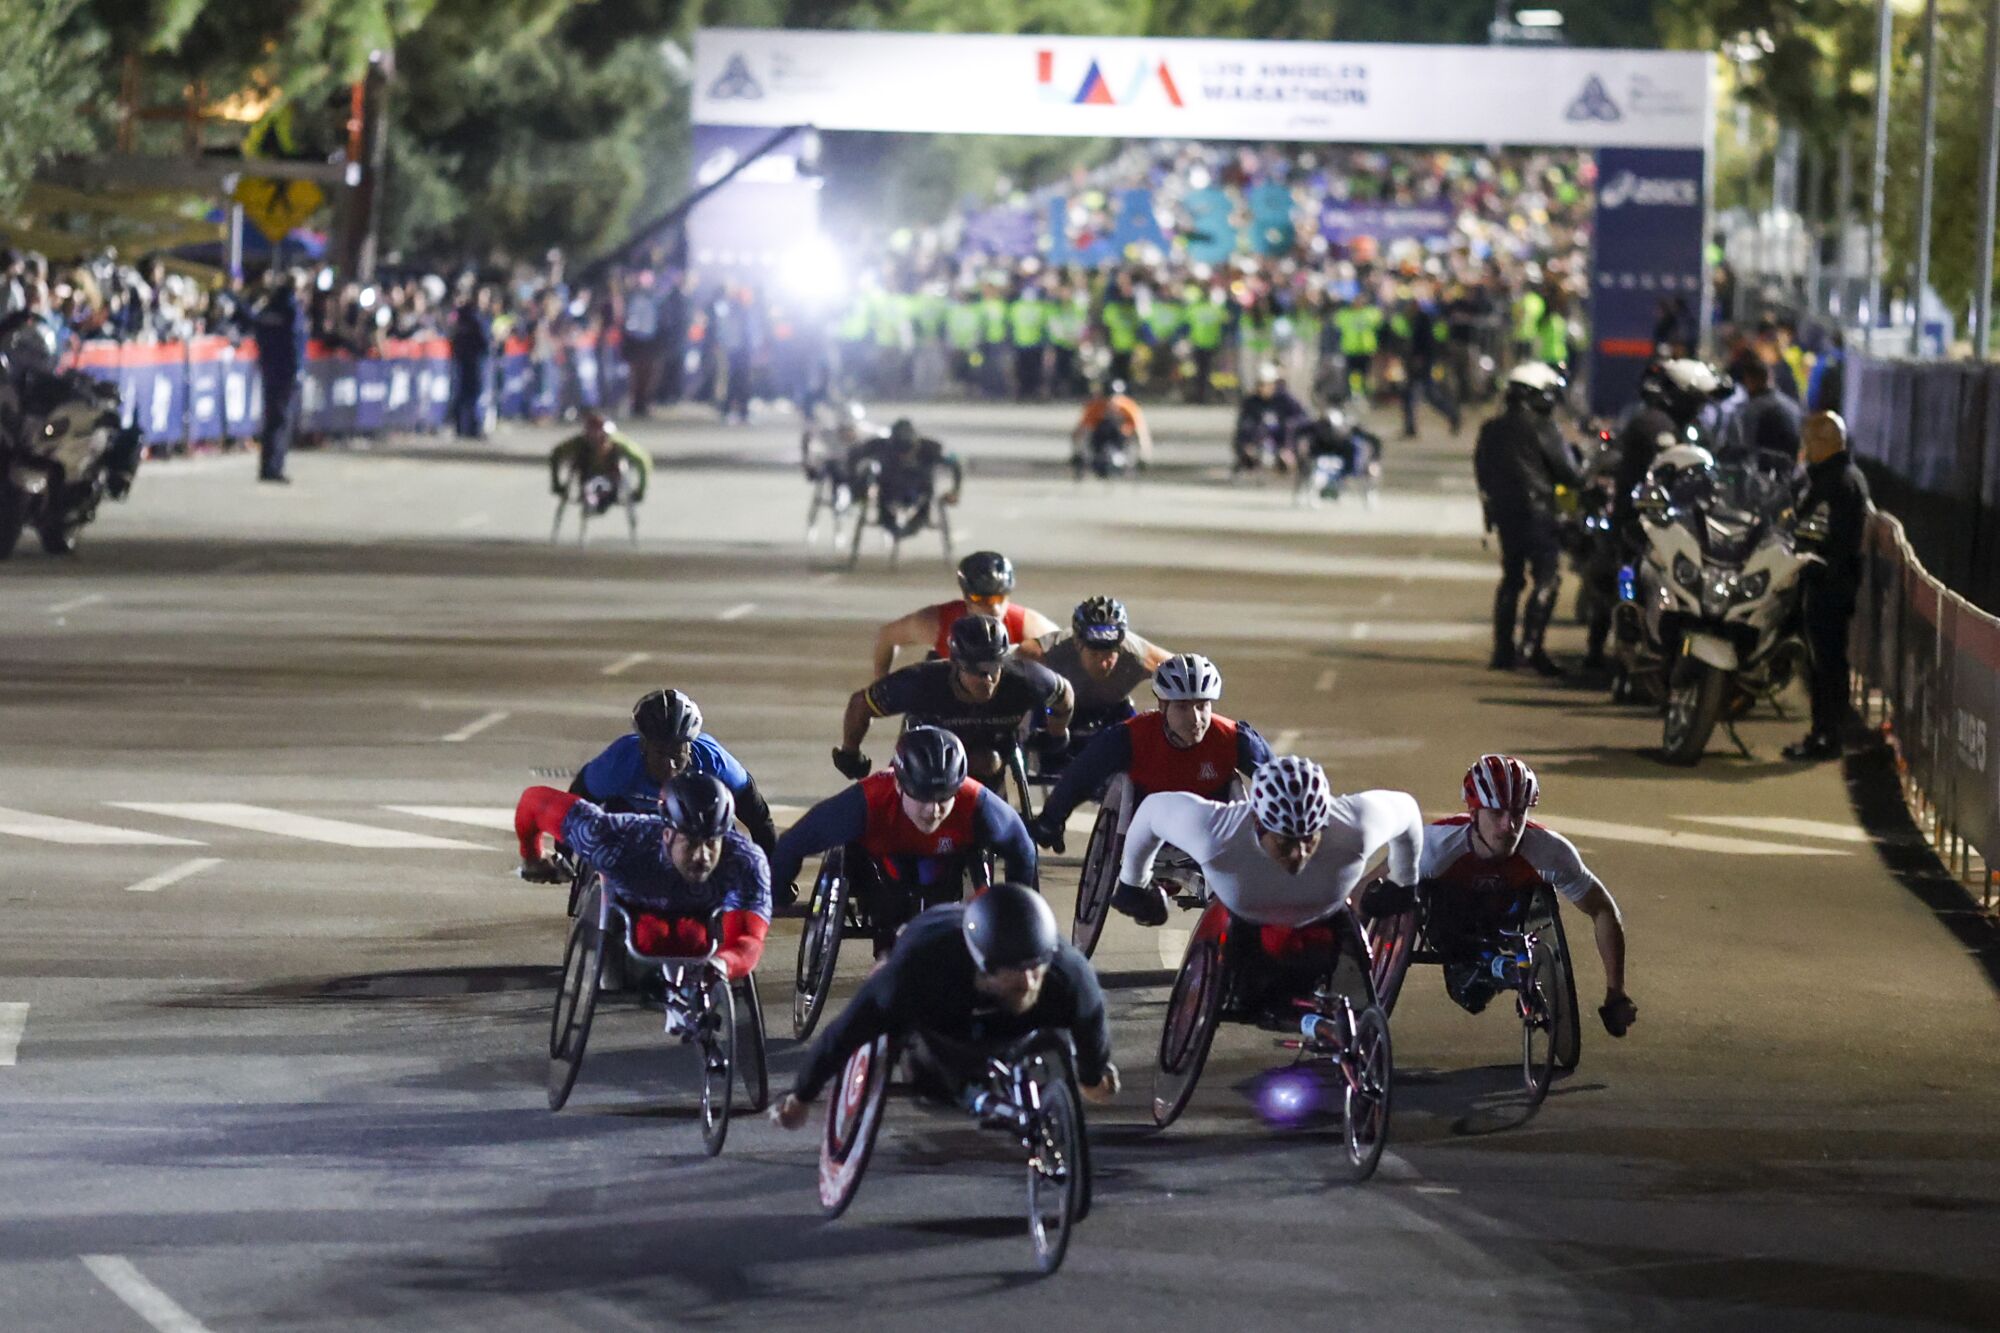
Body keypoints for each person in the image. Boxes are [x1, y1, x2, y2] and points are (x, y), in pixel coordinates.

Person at [769, 884, 1119, 1131]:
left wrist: (1091, 1074)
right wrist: (802, 1094)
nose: (1029, 982)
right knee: (932, 1075)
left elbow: (1092, 1024)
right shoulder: (918, 972)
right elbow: (845, 1032)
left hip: (1006, 1012)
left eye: (1036, 969)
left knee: (1063, 1002)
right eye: (1016, 974)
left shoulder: (1069, 972)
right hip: (937, 981)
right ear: (985, 964)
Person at [1114, 756, 1422, 1017]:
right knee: (1249, 987)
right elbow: (1152, 811)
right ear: (1259, 825)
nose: (1299, 854)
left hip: (1323, 922)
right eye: (1286, 842)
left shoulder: (1355, 826)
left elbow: (1408, 811)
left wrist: (1404, 883)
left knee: (1354, 986)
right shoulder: (1216, 832)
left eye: (1310, 838)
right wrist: (1133, 883)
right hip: (1245, 928)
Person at [1405, 755, 1635, 1037]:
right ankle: (1480, 964)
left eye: (1517, 813)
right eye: (1497, 814)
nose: (1509, 827)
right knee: (1467, 989)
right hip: (1446, 923)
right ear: (1474, 814)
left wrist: (1616, 992)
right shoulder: (1433, 846)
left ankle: (1498, 965)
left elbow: (1602, 909)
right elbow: (1373, 887)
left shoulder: (1550, 852)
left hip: (1505, 918)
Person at [774, 727, 1039, 951]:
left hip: (946, 868)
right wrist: (778, 890)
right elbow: (793, 843)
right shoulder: (866, 802)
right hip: (880, 867)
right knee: (889, 902)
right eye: (922, 798)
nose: (933, 811)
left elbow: (1023, 850)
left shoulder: (979, 805)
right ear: (899, 785)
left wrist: (1016, 914)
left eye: (944, 799)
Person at [514, 773, 772, 982]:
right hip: (637, 905)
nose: (702, 856)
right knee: (617, 976)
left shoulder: (745, 861)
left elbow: (748, 938)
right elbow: (534, 802)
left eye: (711, 843)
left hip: (702, 918)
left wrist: (724, 964)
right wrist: (532, 856)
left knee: (704, 948)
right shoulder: (614, 840)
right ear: (668, 835)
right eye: (691, 843)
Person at [1030, 652, 1270, 853]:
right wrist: (1052, 819)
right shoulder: (1130, 736)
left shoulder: (1234, 737)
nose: (1196, 719)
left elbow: (1281, 784)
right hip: (1146, 827)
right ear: (1163, 706)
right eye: (1183, 707)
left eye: (1202, 705)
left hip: (1212, 827)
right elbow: (1081, 777)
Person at [1584, 358, 1725, 669]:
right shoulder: (1654, 423)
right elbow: (1672, 460)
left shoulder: (1689, 427)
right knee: (1627, 578)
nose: (1700, 407)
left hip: (1674, 518)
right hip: (1638, 518)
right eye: (1696, 400)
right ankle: (1607, 649)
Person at [839, 613, 1074, 787]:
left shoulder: (1026, 679)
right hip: (926, 753)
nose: (988, 678)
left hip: (992, 751)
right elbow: (861, 704)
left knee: (988, 761)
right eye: (976, 670)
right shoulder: (921, 682)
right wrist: (850, 752)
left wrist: (1056, 733)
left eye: (995, 667)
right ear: (955, 664)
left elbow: (1064, 696)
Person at [565, 688, 780, 860]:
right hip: (631, 827)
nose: (669, 765)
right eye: (659, 753)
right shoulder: (619, 762)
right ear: (643, 747)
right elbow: (572, 807)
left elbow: (759, 820)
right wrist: (563, 855)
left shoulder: (715, 762)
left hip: (697, 833)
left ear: (690, 748)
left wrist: (774, 878)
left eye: (677, 754)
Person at [1474, 362, 1582, 676]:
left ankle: (1503, 650)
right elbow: (1569, 473)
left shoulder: (1490, 428)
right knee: (1547, 577)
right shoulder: (1543, 428)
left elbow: (1482, 474)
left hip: (1505, 514)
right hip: (1538, 512)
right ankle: (1532, 648)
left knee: (1511, 578)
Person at [1784, 412, 1871, 761]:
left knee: (1827, 664)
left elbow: (1832, 536)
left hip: (1830, 585)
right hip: (1824, 581)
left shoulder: (1839, 481)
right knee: (1821, 663)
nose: (1806, 449)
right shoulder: (1831, 476)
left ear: (1827, 443)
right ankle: (1823, 732)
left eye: (1811, 441)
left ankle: (1826, 735)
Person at [1025, 596, 1176, 770]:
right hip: (1057, 717)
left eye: (1109, 654)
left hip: (1112, 714)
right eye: (1095, 655)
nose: (1103, 664)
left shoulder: (1138, 657)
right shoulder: (1048, 651)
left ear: (1119, 647)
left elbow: (1181, 672)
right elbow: (1010, 662)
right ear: (1077, 644)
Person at [870, 550, 1058, 678]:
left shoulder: (1029, 627)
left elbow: (1068, 651)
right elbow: (887, 636)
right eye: (981, 599)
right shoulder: (937, 623)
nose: (994, 609)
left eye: (998, 598)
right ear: (966, 597)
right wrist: (881, 686)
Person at [846, 417, 964, 542]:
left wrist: (955, 491)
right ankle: (882, 517)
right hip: (887, 490)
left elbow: (955, 462)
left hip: (919, 490)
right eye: (897, 450)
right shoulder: (879, 445)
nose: (902, 455)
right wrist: (854, 484)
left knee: (924, 492)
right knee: (868, 473)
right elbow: (853, 455)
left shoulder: (931, 448)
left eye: (907, 450)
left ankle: (915, 524)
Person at [250, 268, 308, 483]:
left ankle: (268, 465)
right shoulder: (291, 308)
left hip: (270, 368)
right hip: (285, 371)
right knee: (281, 419)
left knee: (272, 417)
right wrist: (298, 369)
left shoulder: (271, 306)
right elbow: (295, 342)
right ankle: (274, 467)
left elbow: (260, 332)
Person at [548, 410, 651, 515]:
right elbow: (556, 455)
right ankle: (592, 499)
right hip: (587, 478)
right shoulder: (578, 443)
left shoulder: (619, 443)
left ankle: (600, 498)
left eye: (602, 437)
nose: (598, 440)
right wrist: (556, 483)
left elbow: (642, 460)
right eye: (593, 436)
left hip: (612, 480)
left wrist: (641, 490)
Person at [1717, 356, 1802, 474]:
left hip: (1766, 478)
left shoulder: (1753, 410)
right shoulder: (1792, 405)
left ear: (1750, 380)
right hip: (1792, 474)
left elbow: (1745, 449)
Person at [1233, 362, 1310, 474]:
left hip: (1282, 436)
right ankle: (1248, 460)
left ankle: (1287, 459)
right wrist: (1246, 445)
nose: (1263, 389)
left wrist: (1290, 445)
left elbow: (1302, 417)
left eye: (1266, 385)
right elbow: (1243, 423)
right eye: (1260, 385)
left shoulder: (1285, 399)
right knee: (1249, 427)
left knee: (1291, 426)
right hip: (1260, 437)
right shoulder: (1251, 402)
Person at [1070, 379, 1154, 475]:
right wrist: (1077, 453)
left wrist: (1144, 455)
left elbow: (1141, 431)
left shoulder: (1128, 407)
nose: (1111, 401)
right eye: (1108, 397)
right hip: (1099, 437)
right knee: (1088, 432)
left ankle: (1126, 460)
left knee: (1130, 434)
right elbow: (1080, 429)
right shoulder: (1095, 406)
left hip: (1120, 437)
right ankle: (1089, 459)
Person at [448, 285, 493, 441]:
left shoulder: (483, 315)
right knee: (466, 393)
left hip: (476, 358)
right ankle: (464, 427)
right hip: (468, 359)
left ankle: (472, 427)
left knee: (473, 393)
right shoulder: (468, 315)